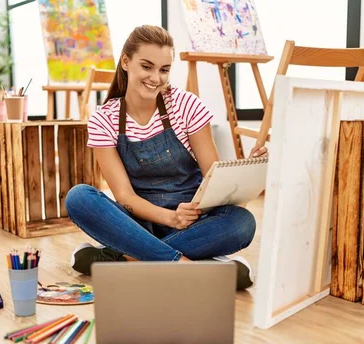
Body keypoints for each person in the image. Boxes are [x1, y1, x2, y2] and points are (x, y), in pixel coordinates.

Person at [65, 25, 267, 290]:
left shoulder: (187, 105)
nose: (156, 78)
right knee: (79, 197)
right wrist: (170, 218)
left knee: (243, 222)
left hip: (193, 222)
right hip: (138, 222)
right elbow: (124, 197)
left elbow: (212, 177)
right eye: (146, 67)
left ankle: (127, 259)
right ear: (126, 62)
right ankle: (187, 265)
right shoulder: (104, 119)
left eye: (164, 69)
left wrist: (249, 170)